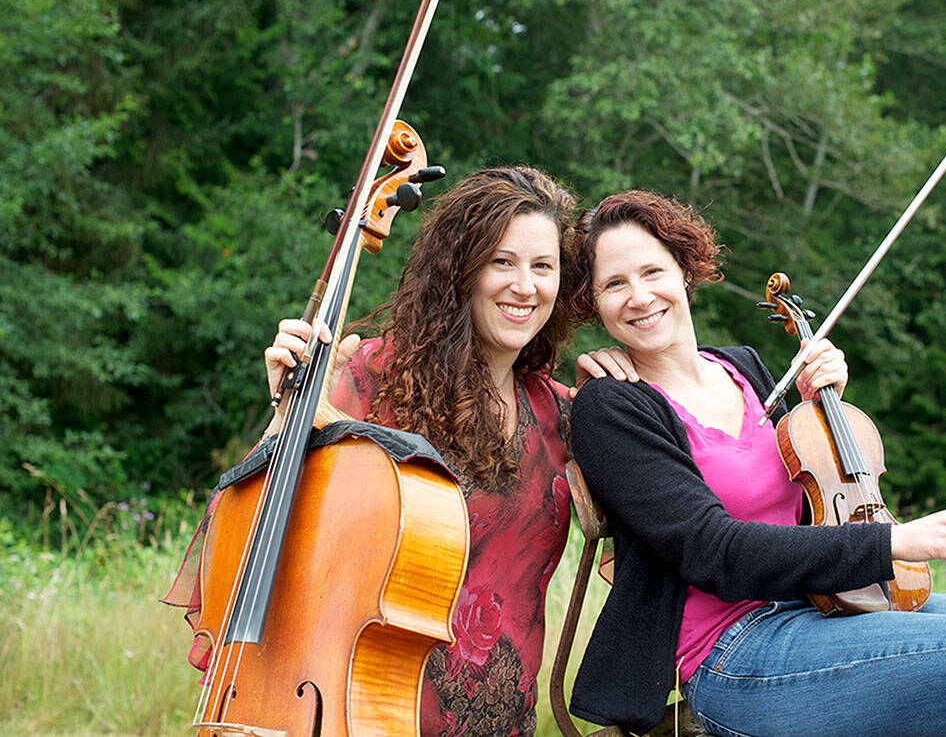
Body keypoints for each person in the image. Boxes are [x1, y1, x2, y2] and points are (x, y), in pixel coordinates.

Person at [564, 189, 946, 737]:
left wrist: (824, 410)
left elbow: (813, 498)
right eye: (614, 284)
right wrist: (893, 542)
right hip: (735, 653)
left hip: (831, 607)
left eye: (651, 271)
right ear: (594, 302)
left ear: (685, 272)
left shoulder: (743, 369)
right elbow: (713, 551)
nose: (639, 296)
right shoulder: (613, 407)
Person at [166, 166, 623, 737]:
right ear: (460, 270)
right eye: (501, 262)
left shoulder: (564, 414)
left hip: (499, 719)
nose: (525, 286)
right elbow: (258, 527)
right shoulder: (375, 376)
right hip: (357, 709)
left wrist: (637, 385)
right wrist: (287, 418)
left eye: (543, 266)